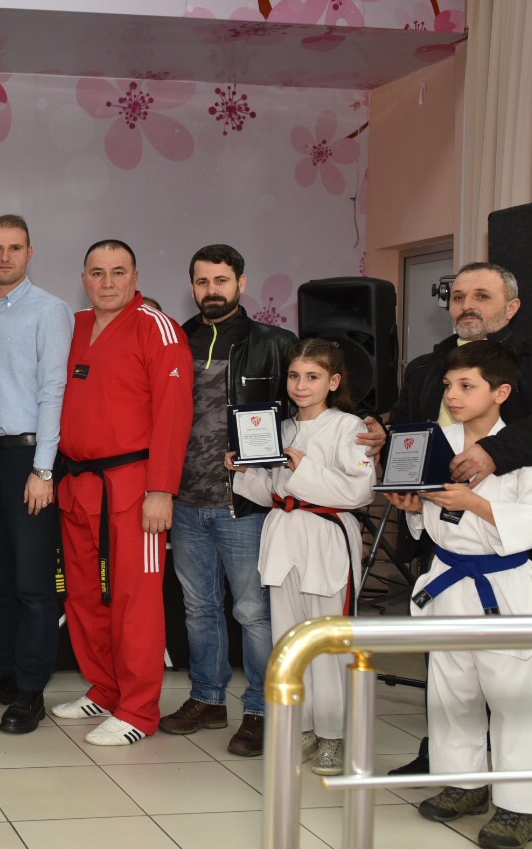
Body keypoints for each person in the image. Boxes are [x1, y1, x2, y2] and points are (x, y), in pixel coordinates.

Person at [360, 261, 532, 808]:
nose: (467, 304)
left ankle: (529, 794)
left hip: (514, 548)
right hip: (443, 543)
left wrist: (493, 453)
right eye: (459, 295)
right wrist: (391, 448)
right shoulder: (430, 365)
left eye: (482, 296)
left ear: (511, 307)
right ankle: (457, 772)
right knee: (452, 675)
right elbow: (416, 433)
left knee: (518, 682)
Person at [385, 341, 532, 849]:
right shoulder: (435, 441)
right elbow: (430, 519)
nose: (453, 396)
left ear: (501, 392)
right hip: (448, 577)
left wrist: (476, 503)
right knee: (451, 690)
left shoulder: (523, 449)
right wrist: (412, 507)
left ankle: (520, 804)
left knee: (514, 698)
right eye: (448, 386)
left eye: (467, 386)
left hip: (503, 582)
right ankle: (463, 782)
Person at [53, 240, 192, 747]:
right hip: (77, 484)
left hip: (134, 487)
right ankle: (105, 689)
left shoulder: (157, 327)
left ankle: (137, 710)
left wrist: (162, 489)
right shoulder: (73, 326)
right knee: (85, 596)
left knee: (136, 601)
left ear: (135, 277)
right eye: (97, 272)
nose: (107, 282)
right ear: (83, 279)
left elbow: (174, 414)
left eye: (118, 272)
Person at [161, 244, 293, 757]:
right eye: (202, 282)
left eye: (220, 280)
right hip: (185, 501)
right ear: (191, 286)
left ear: (241, 282)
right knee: (199, 608)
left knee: (252, 611)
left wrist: (364, 423)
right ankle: (208, 699)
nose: (211, 290)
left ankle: (259, 709)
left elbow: (309, 404)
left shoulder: (274, 344)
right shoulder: (175, 341)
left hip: (246, 504)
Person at [228, 338, 374, 775]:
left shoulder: (348, 426)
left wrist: (304, 468)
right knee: (289, 638)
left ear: (334, 382)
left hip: (325, 533)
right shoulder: (282, 427)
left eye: (313, 377)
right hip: (283, 532)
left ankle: (335, 734)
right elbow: (270, 492)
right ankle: (304, 726)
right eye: (294, 376)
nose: (301, 385)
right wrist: (245, 471)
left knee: (327, 640)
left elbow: (360, 491)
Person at [0, 215, 74, 734]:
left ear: (30, 253)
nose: (4, 257)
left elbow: (54, 391)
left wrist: (43, 469)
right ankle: (0, 673)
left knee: (32, 584)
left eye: (14, 248)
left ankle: (30, 690)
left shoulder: (50, 311)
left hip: (29, 461)